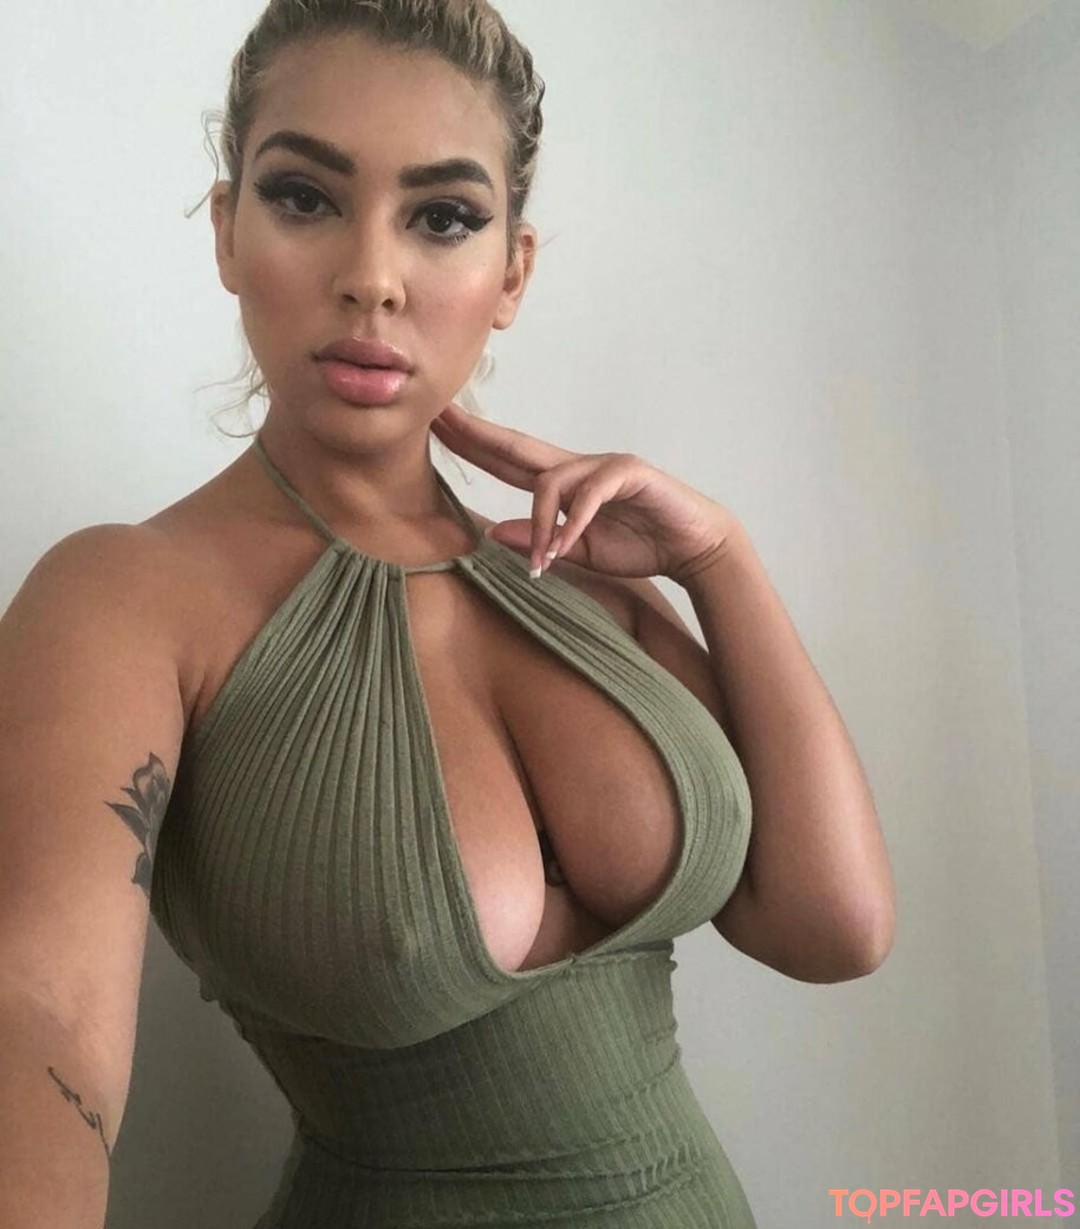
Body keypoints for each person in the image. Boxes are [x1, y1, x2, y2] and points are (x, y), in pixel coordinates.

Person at [0, 1, 896, 1226]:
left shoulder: (585, 586)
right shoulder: (123, 596)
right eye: (304, 197)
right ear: (226, 232)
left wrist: (719, 560)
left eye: (442, 217)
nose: (372, 279)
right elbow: (36, 1018)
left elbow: (834, 927)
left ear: (511, 271)